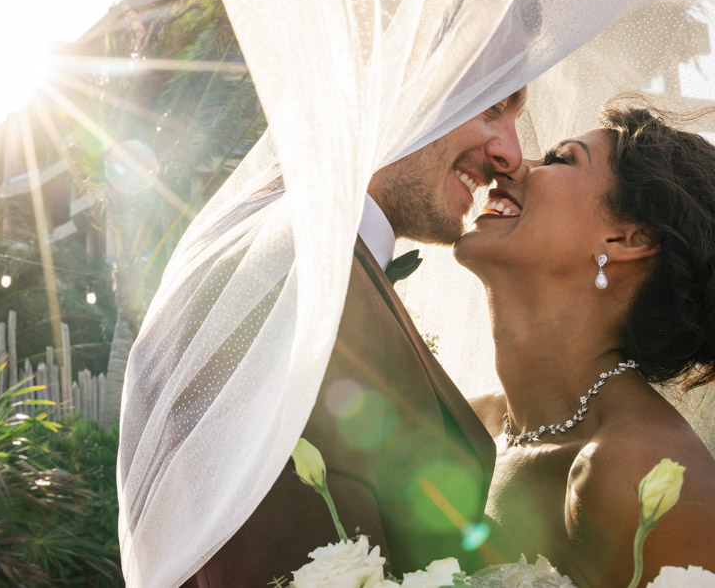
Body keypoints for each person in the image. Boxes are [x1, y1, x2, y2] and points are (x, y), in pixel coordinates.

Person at [183, 87, 528, 585]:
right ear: (401, 79)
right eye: (493, 106)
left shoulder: (334, 271)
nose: (510, 155)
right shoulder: (293, 281)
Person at [457, 97, 715, 586]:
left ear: (627, 239)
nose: (514, 164)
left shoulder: (641, 471)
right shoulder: (467, 425)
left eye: (560, 159)